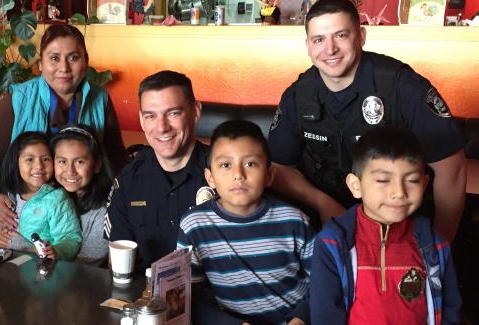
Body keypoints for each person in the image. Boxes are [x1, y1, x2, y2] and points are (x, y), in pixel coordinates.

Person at [268, 0, 466, 241]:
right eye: (319, 39)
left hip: (400, 217)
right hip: (328, 219)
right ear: (308, 46)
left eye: (341, 35)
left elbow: (451, 170)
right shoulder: (298, 95)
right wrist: (322, 203)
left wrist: (440, 249)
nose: (330, 49)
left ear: (361, 36)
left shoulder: (402, 87)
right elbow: (278, 167)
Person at [0, 24, 128, 231]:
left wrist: (126, 196)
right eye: (54, 58)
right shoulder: (17, 99)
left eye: (73, 58)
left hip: (84, 207)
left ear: (85, 62)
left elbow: (116, 155)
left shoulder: (100, 98)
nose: (64, 68)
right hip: (24, 209)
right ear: (40, 63)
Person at [309, 126, 461, 324]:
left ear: (424, 184)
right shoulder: (333, 243)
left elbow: (451, 309)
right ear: (356, 186)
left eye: (412, 180)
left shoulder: (435, 246)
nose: (399, 192)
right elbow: (325, 314)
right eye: (383, 180)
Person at [177, 120, 313, 325]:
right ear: (210, 177)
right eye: (225, 165)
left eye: (250, 164)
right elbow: (189, 298)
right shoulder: (194, 226)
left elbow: (325, 282)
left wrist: (300, 320)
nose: (238, 175)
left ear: (269, 175)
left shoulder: (294, 220)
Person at [104, 70, 207, 271]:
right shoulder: (128, 181)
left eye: (173, 113)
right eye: (151, 116)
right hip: (144, 297)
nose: (161, 128)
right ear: (142, 120)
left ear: (195, 112)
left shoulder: (226, 173)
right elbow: (117, 261)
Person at [0, 132, 82, 260]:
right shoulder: (6, 197)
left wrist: (56, 251)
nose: (39, 166)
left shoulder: (57, 199)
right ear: (16, 163)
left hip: (39, 271)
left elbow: (71, 238)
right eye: (29, 159)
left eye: (45, 159)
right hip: (4, 269)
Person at [51, 125, 113, 266]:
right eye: (62, 161)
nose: (70, 171)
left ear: (97, 165)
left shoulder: (105, 210)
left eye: (79, 162)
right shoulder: (49, 196)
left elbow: (87, 262)